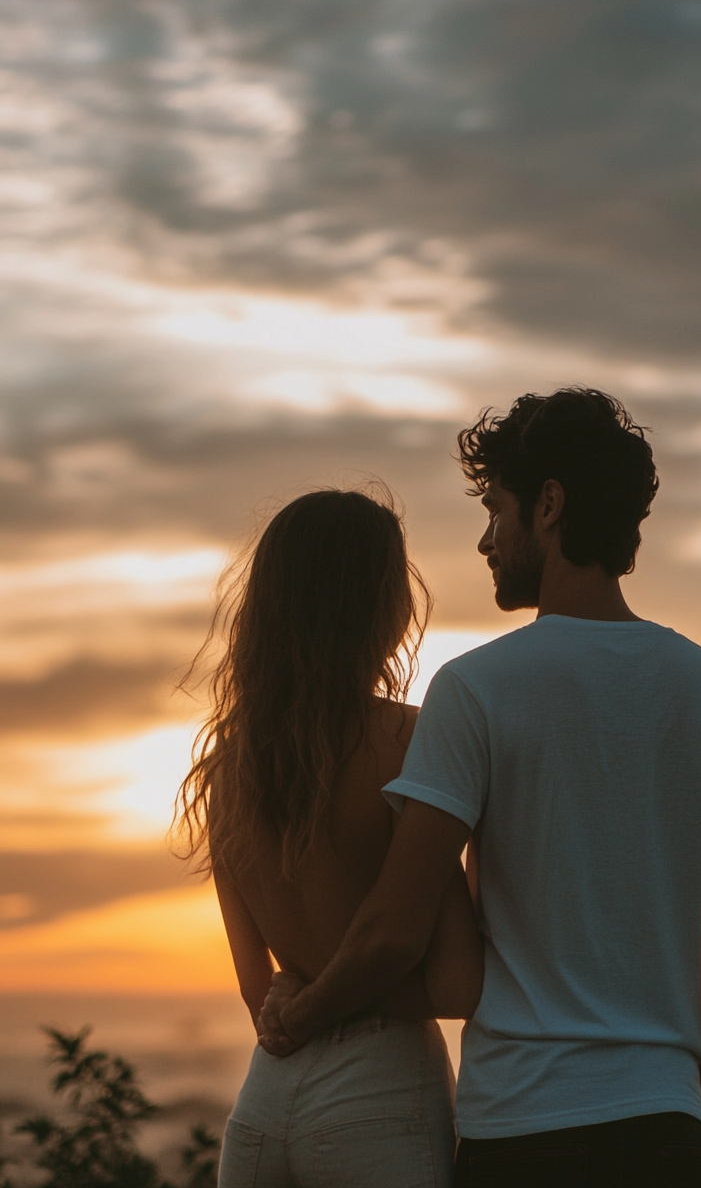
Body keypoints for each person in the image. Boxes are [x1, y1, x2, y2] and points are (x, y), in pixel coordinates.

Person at [259, 389, 701, 1188]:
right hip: (667, 1133)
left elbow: (392, 929)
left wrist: (296, 1016)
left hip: (521, 1132)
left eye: (496, 509)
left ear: (548, 507)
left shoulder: (478, 689)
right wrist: (680, 1096)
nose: (486, 539)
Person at [173, 489, 484, 1188]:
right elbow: (460, 984)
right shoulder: (409, 740)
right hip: (379, 1095)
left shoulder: (227, 763)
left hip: (264, 1102)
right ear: (384, 606)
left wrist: (304, 1003)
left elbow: (261, 994)